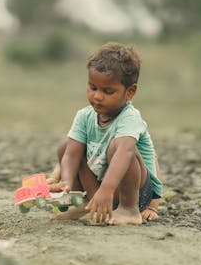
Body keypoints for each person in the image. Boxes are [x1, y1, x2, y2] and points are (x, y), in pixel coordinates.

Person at [47, 42, 163, 225]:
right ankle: (84, 203)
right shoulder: (84, 116)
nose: (98, 96)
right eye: (93, 88)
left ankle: (128, 210)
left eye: (108, 91)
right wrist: (66, 183)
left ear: (130, 92)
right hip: (100, 191)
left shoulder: (130, 118)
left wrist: (107, 189)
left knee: (119, 148)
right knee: (67, 147)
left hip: (135, 193)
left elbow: (125, 152)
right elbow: (70, 154)